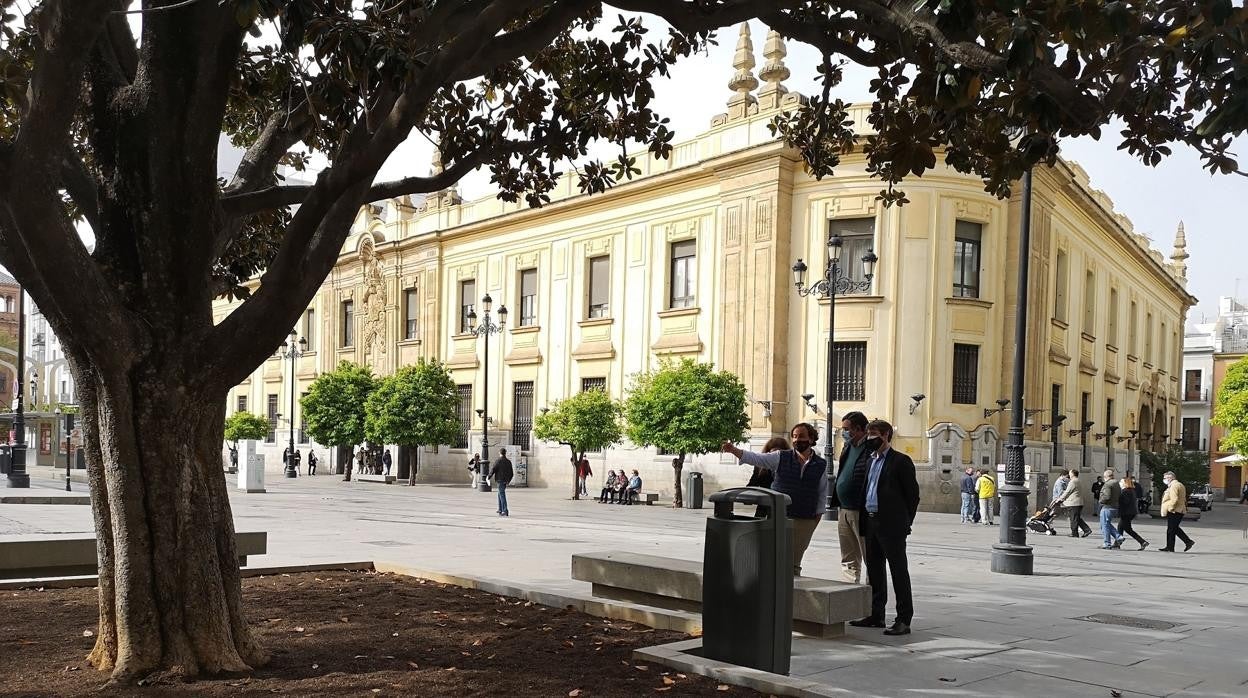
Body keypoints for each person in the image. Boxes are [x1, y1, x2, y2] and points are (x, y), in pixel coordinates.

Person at [723, 422, 827, 576]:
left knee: (793, 563)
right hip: (779, 516)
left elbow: (822, 493)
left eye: (802, 436)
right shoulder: (781, 457)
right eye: (795, 437)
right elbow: (757, 458)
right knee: (772, 559)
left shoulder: (821, 464)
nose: (798, 440)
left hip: (805, 519)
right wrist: (734, 450)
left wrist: (815, 519)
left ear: (811, 439)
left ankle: (791, 595)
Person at [850, 419, 920, 636]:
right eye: (869, 433)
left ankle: (903, 619)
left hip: (891, 525)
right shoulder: (870, 460)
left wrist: (906, 522)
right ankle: (876, 614)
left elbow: (913, 496)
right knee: (875, 570)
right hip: (870, 521)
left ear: (887, 435)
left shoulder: (901, 461)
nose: (870, 438)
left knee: (898, 571)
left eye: (875, 434)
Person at [832, 411, 871, 583]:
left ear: (859, 429)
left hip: (861, 511)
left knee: (869, 556)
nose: (844, 433)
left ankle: (872, 598)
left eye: (846, 429)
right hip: (844, 509)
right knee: (848, 557)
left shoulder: (871, 449)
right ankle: (850, 592)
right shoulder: (848, 447)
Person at [1159, 471, 1194, 552]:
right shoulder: (1178, 484)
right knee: (1174, 528)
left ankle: (1171, 547)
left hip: (1175, 510)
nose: (1164, 480)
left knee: (1171, 529)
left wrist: (1171, 508)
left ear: (1171, 478)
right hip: (1178, 509)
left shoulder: (1174, 486)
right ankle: (1187, 542)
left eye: (1165, 478)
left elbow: (1174, 499)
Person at [1055, 469, 1092, 537]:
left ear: (1072, 474)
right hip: (1078, 502)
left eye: (1069, 473)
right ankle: (1086, 529)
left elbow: (1067, 492)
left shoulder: (1073, 482)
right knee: (1076, 518)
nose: (1069, 475)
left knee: (1073, 519)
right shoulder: (1078, 480)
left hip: (1073, 503)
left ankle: (1074, 533)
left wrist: (1060, 499)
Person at [1116, 475, 1148, 550]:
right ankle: (1142, 542)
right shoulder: (1131, 490)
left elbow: (1125, 501)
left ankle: (1117, 544)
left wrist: (1119, 499)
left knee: (1120, 527)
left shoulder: (1126, 491)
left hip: (1126, 513)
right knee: (1127, 529)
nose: (1120, 483)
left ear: (1125, 483)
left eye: (1121, 482)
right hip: (1130, 513)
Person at [1097, 469, 1120, 550]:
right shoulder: (1116, 483)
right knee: (1106, 524)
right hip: (1114, 506)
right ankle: (1118, 537)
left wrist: (1100, 501)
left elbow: (1106, 496)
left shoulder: (1108, 484)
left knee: (1104, 525)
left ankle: (1107, 543)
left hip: (1107, 506)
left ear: (1106, 477)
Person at [491, 448, 513, 516]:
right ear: (505, 453)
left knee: (502, 494)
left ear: (499, 453)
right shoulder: (508, 461)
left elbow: (493, 469)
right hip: (505, 481)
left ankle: (505, 510)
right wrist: (508, 481)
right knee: (499, 493)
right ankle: (500, 509)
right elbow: (511, 473)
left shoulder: (498, 461)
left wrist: (488, 476)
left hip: (500, 480)